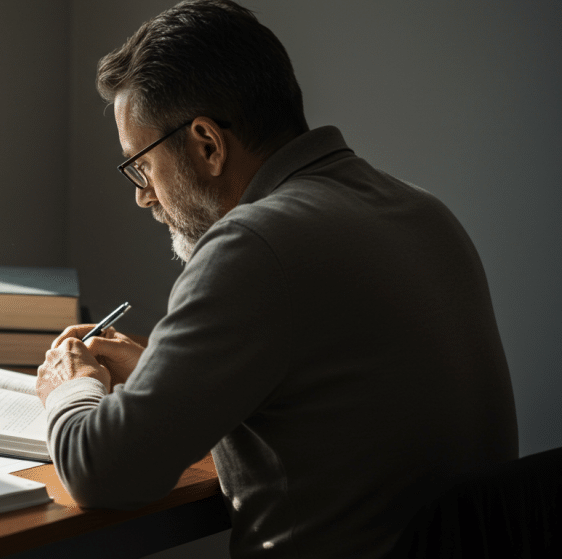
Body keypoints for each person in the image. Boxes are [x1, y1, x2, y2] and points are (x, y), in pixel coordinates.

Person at [35, 1, 519, 557]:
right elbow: (328, 407)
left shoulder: (252, 246)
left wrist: (69, 385)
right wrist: (158, 376)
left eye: (141, 164)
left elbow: (103, 475)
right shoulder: (421, 211)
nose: (143, 194)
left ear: (207, 144)